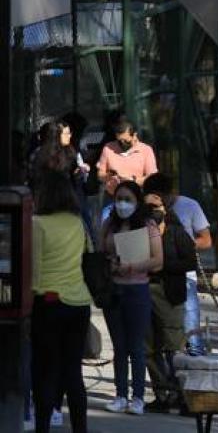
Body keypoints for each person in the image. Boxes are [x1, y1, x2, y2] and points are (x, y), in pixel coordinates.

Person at [31, 171, 92, 433]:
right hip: (79, 303)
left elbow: (33, 269)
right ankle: (80, 428)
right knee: (73, 372)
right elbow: (89, 254)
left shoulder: (37, 224)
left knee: (47, 370)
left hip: (47, 300)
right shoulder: (76, 222)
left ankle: (42, 427)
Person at [100, 181, 163, 415]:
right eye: (119, 199)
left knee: (136, 346)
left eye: (127, 199)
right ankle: (120, 395)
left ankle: (137, 397)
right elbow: (100, 251)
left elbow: (158, 260)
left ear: (137, 201)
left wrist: (132, 266)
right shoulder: (110, 224)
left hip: (137, 289)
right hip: (114, 289)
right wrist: (110, 264)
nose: (122, 204)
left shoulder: (148, 226)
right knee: (120, 346)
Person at [142, 174, 213, 357]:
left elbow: (206, 240)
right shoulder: (142, 211)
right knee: (152, 340)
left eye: (160, 197)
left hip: (180, 278)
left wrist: (178, 247)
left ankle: (192, 365)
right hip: (149, 280)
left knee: (189, 329)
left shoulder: (189, 206)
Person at [141, 183, 198, 413]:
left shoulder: (177, 232)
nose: (152, 210)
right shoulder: (140, 231)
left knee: (174, 347)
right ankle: (162, 393)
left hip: (169, 292)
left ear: (165, 207)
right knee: (148, 347)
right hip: (145, 289)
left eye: (155, 205)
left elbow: (190, 261)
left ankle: (183, 395)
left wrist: (163, 265)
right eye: (147, 207)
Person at [96, 120, 158, 200]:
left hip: (137, 197)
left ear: (134, 135)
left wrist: (132, 180)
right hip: (113, 196)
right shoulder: (108, 148)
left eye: (126, 141)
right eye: (119, 141)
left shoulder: (146, 150)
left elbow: (152, 178)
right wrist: (109, 175)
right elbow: (100, 175)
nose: (122, 144)